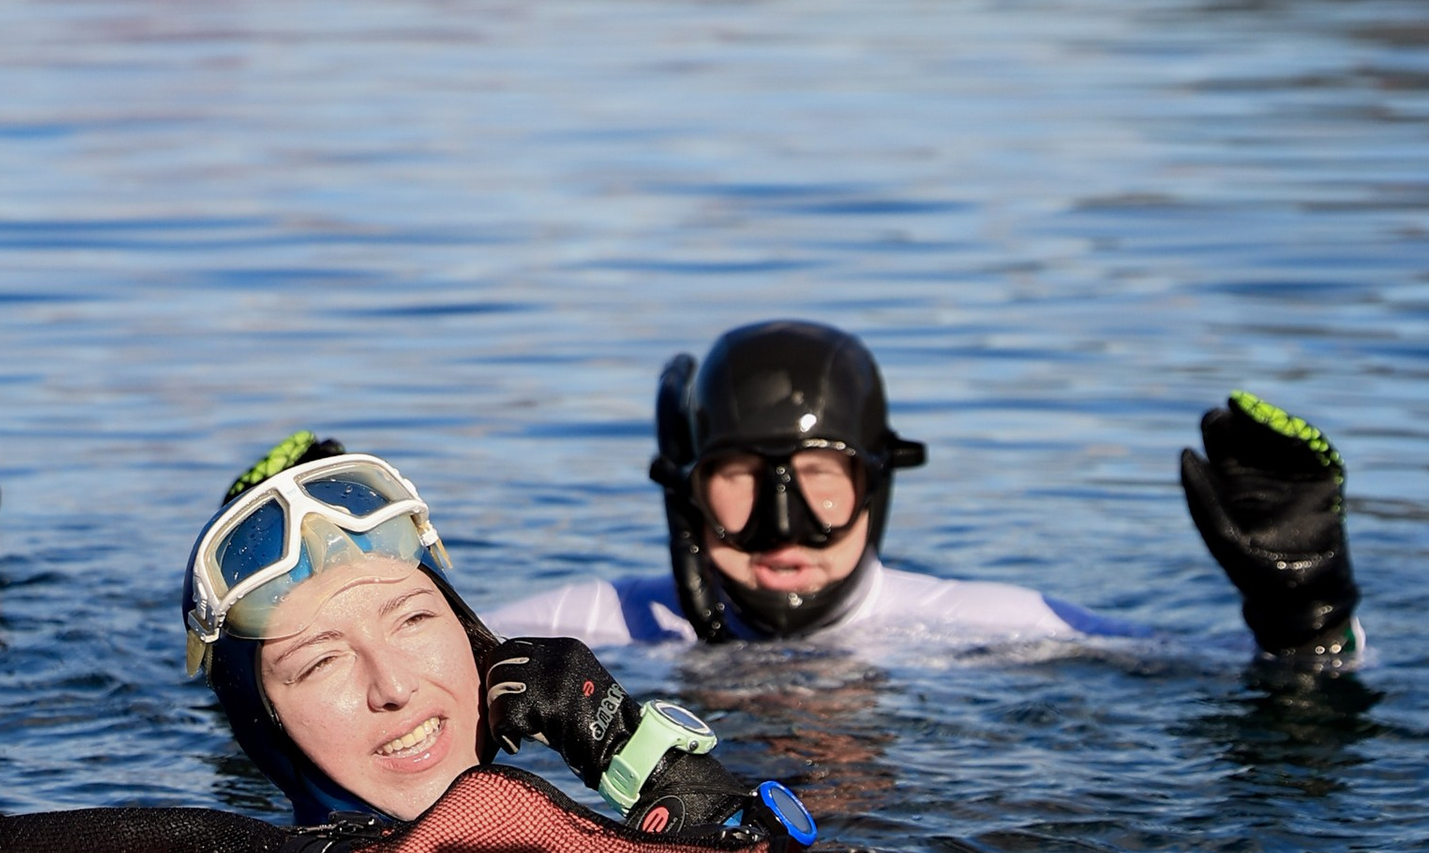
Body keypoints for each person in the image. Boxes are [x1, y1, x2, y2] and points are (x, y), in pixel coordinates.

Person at [484, 319, 1364, 664]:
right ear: (684, 491)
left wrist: (1307, 616)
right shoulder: (595, 624)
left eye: (825, 483)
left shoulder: (982, 625)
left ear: (880, 483)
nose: (783, 528)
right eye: (741, 484)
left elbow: (1238, 674)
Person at [184, 428, 816, 848]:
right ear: (261, 726)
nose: (396, 687)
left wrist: (631, 750)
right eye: (321, 661)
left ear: (474, 638)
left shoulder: (565, 838)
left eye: (414, 619)